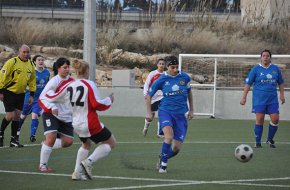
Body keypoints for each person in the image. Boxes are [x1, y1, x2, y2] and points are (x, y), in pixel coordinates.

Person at [43, 59, 116, 180]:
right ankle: (88, 162)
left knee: (86, 144)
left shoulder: (70, 85)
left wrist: (49, 92)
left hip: (76, 124)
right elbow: (97, 105)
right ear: (87, 71)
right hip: (90, 122)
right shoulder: (89, 84)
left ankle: (76, 173)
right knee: (111, 143)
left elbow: (52, 96)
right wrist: (109, 100)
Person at [146, 55, 194, 173]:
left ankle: (163, 156)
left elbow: (189, 93)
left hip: (181, 115)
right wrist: (148, 112)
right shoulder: (161, 80)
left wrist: (191, 110)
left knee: (176, 148)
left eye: (177, 67)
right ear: (167, 67)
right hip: (165, 112)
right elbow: (149, 96)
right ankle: (163, 166)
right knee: (169, 136)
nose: (175, 69)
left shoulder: (184, 77)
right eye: (172, 67)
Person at [240, 49, 285, 148]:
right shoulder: (255, 69)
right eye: (263, 56)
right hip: (259, 99)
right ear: (261, 58)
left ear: (270, 58)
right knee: (260, 119)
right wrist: (244, 97)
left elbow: (281, 83)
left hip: (272, 99)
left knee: (275, 119)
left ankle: (269, 140)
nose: (265, 57)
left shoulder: (275, 69)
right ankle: (258, 142)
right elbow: (248, 84)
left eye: (267, 56)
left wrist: (282, 95)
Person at [38, 57, 75, 172]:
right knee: (51, 137)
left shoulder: (72, 81)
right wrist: (52, 107)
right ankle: (43, 165)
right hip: (51, 113)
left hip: (66, 116)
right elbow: (42, 97)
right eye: (64, 67)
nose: (67, 69)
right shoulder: (54, 81)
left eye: (68, 67)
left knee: (68, 142)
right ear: (58, 68)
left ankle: (46, 145)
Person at [0, 44, 36, 147]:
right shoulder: (12, 62)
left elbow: (32, 80)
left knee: (17, 116)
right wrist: (1, 91)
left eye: (27, 52)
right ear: (19, 52)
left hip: (21, 93)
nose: (25, 54)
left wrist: (31, 95)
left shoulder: (30, 64)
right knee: (10, 116)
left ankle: (13, 140)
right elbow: (2, 75)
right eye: (23, 52)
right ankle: (1, 133)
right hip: (8, 91)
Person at [17, 55, 50, 143]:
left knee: (35, 115)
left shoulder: (47, 72)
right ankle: (17, 131)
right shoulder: (31, 72)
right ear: (34, 62)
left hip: (39, 99)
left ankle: (32, 135)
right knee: (23, 116)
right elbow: (25, 84)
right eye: (39, 60)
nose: (41, 61)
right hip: (29, 98)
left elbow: (47, 85)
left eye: (42, 60)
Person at [142, 58, 166, 137]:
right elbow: (147, 84)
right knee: (150, 117)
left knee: (162, 114)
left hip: (162, 97)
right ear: (157, 65)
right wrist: (145, 94)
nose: (161, 65)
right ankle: (145, 128)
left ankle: (159, 133)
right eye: (160, 64)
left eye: (163, 64)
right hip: (153, 97)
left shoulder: (166, 75)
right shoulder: (153, 74)